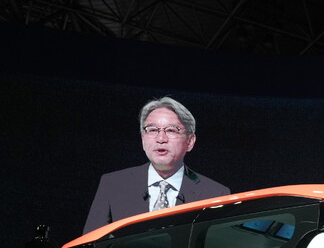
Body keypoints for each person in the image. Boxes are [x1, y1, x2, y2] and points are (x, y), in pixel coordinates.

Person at [83, 97, 230, 234]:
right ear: (143, 139)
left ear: (190, 141)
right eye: (152, 130)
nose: (161, 139)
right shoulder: (113, 184)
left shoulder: (215, 194)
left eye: (171, 130)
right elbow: (89, 244)